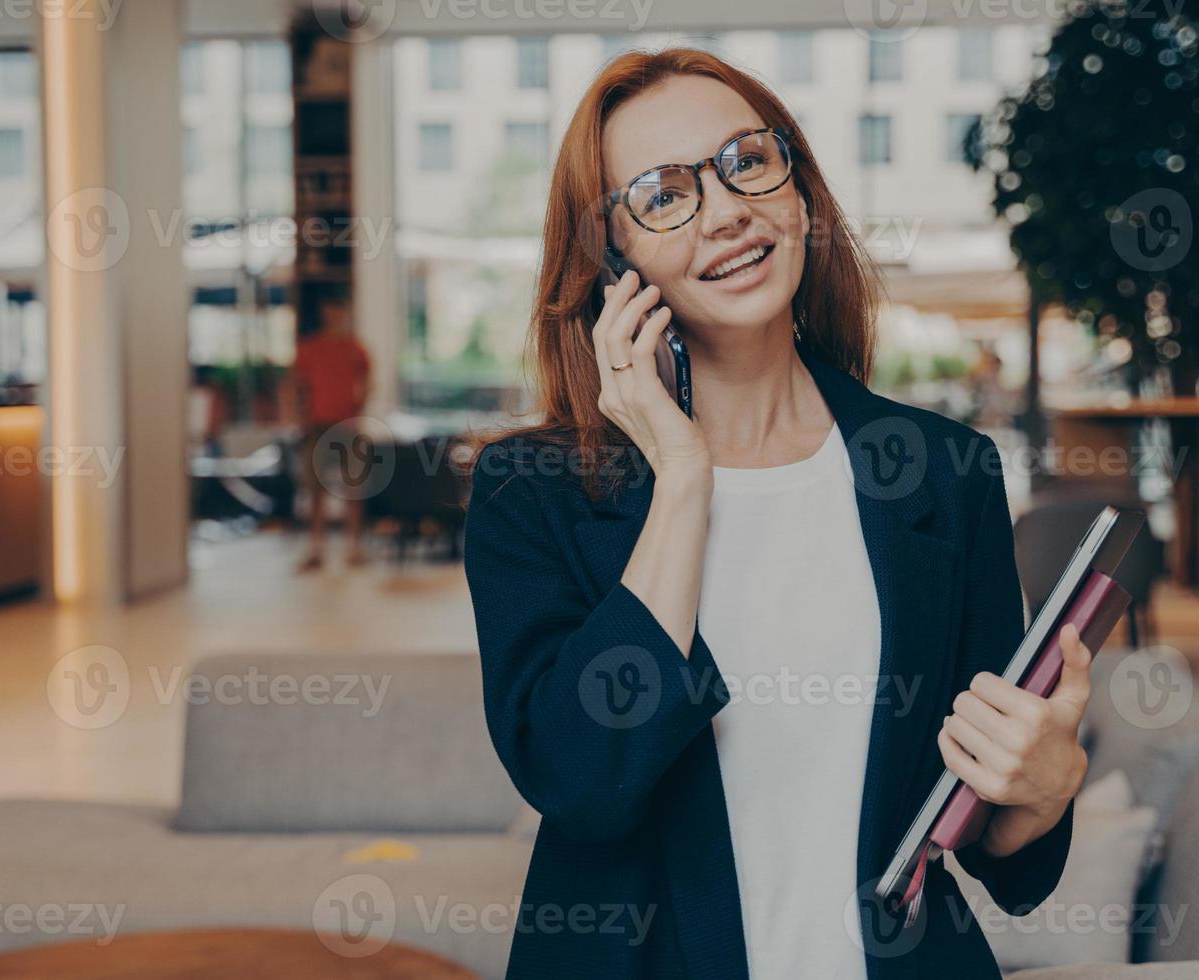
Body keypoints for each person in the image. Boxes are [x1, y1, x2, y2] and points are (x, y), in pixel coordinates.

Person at [462, 48, 1092, 980]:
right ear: (612, 259)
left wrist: (1042, 791)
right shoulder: (531, 491)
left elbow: (997, 848)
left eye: (746, 162)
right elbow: (582, 781)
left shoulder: (945, 472)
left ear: (798, 194)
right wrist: (681, 476)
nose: (725, 211)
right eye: (663, 194)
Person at [289, 296, 372, 571]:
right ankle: (316, 549)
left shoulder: (355, 348)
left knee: (353, 489)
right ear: (325, 312)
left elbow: (368, 381)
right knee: (315, 491)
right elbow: (297, 385)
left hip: (347, 426)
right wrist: (300, 417)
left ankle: (353, 547)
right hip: (316, 426)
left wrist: (358, 411)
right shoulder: (309, 348)